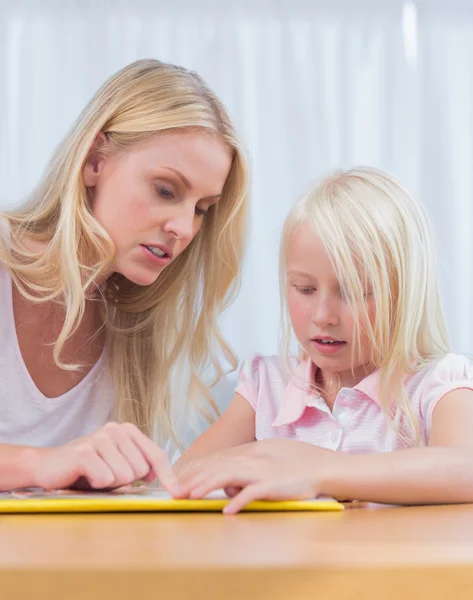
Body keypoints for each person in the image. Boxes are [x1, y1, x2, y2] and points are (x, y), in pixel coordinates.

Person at [0, 58, 248, 494]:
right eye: (165, 190)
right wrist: (42, 465)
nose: (184, 228)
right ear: (94, 161)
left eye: (202, 209)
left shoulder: (135, 326)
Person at [176, 167, 473, 513]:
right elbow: (182, 472)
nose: (322, 315)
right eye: (304, 289)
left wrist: (318, 469)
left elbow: (465, 467)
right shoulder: (266, 385)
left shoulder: (436, 382)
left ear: (405, 293)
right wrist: (265, 460)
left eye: (352, 292)